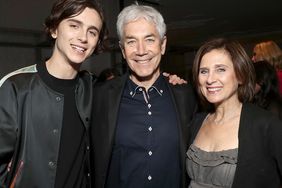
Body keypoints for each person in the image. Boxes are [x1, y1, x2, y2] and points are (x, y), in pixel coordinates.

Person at [0, 0, 107, 187]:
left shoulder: (94, 88)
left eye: (92, 32)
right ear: (54, 30)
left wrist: (168, 81)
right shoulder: (16, 87)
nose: (83, 37)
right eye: (74, 25)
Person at [91, 4, 197, 188]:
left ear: (162, 45)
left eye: (149, 39)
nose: (141, 50)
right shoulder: (100, 97)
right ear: (123, 50)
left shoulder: (186, 96)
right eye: (131, 41)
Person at [187, 38, 282, 188]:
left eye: (221, 69)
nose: (210, 79)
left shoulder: (265, 125)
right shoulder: (197, 122)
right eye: (204, 71)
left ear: (240, 75)